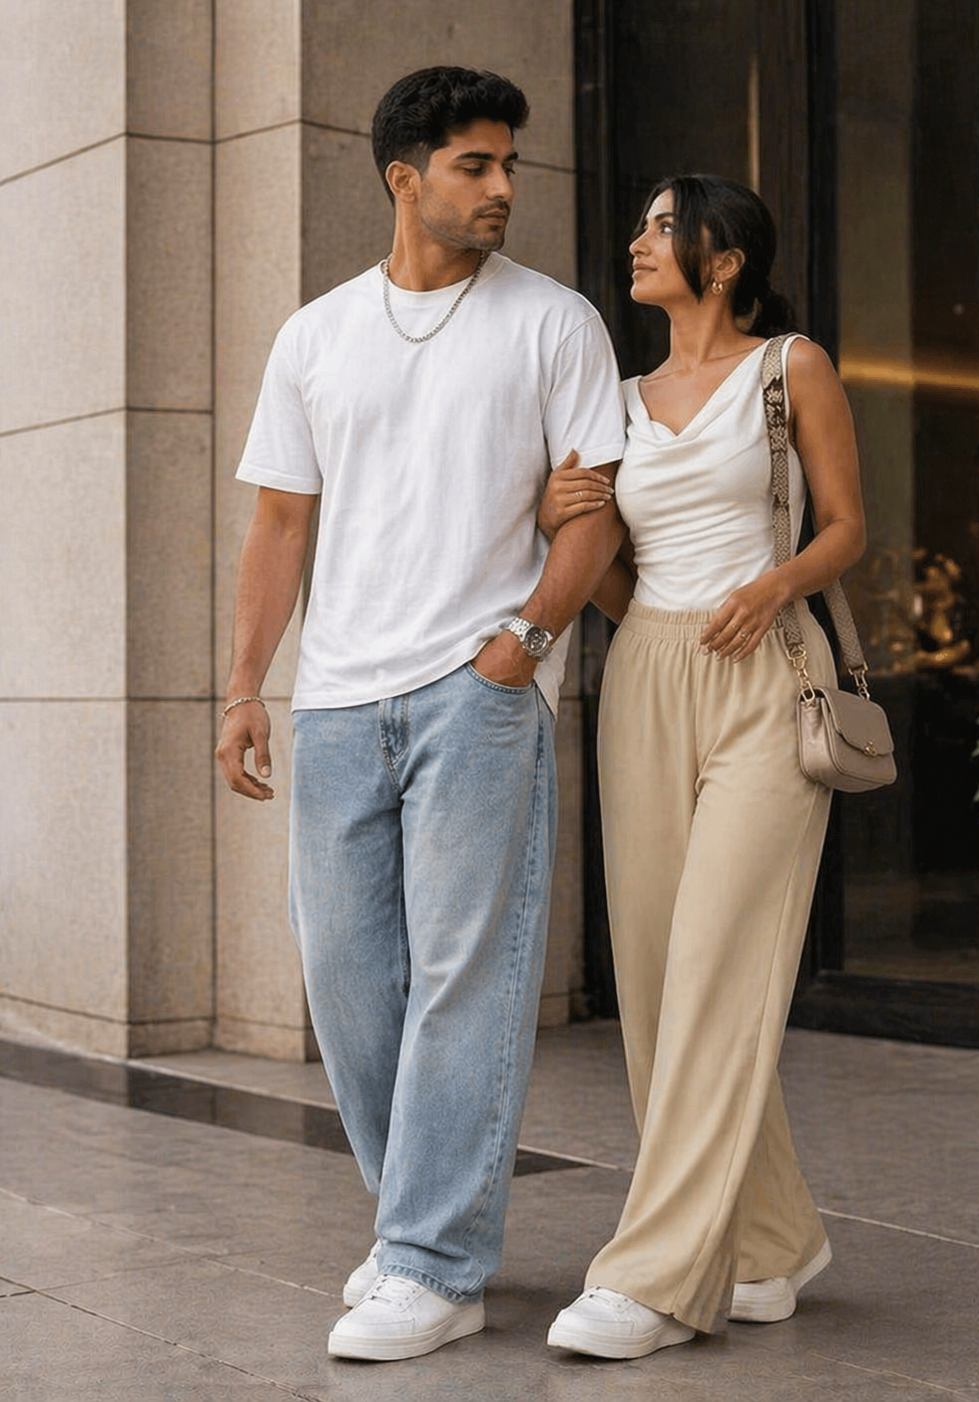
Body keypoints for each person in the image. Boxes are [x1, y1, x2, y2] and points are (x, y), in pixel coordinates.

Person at [215, 66, 625, 1363]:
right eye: (474, 164)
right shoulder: (315, 336)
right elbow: (281, 519)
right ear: (406, 176)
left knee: (466, 978)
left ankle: (435, 1260)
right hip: (336, 696)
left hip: (478, 689)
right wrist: (243, 684)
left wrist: (524, 642)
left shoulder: (556, 324)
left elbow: (592, 505)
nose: (502, 186)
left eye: (508, 164)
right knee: (349, 983)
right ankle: (417, 1225)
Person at [539, 174, 866, 1358]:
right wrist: (557, 524)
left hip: (769, 669)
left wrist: (776, 582)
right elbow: (616, 583)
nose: (636, 243)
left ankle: (660, 1276)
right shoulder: (619, 400)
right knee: (659, 976)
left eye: (662, 226)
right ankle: (775, 1240)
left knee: (723, 965)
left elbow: (846, 526)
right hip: (645, 675)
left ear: (724, 260)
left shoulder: (792, 367)